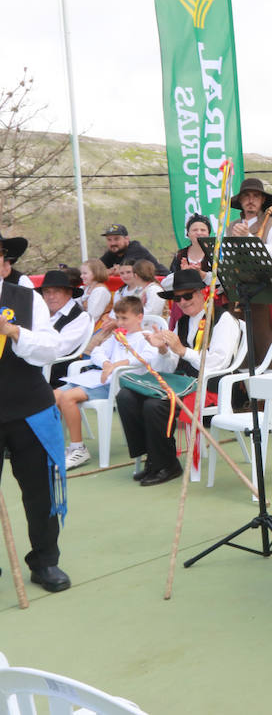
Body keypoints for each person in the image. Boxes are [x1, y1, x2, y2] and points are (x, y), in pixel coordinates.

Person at [115, 269, 240, 486]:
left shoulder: (223, 319)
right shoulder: (181, 322)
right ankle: (154, 458)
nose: (182, 301)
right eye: (177, 298)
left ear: (202, 293)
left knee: (154, 405)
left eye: (188, 295)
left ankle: (168, 464)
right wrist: (163, 350)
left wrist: (182, 350)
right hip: (181, 381)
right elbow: (170, 366)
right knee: (126, 396)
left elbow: (218, 361)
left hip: (208, 385)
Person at [0, 250, 70, 592]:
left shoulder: (27, 299)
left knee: (40, 493)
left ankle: (45, 562)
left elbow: (50, 350)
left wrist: (13, 331)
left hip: (29, 409)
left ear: (4, 263)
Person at [55, 296, 157, 470]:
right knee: (54, 395)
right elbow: (97, 351)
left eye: (124, 318)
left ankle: (78, 448)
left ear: (139, 317)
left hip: (117, 385)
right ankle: (58, 446)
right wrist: (106, 364)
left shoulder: (146, 337)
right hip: (101, 379)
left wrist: (115, 366)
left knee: (67, 398)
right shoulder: (117, 336)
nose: (120, 322)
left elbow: (146, 358)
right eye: (117, 318)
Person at [229, 178, 272, 367]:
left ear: (262, 200)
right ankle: (241, 393)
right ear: (240, 201)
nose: (251, 200)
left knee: (265, 344)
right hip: (237, 292)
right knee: (237, 346)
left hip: (263, 292)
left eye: (256, 196)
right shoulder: (231, 226)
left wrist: (248, 238)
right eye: (246, 196)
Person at [37, 269, 93, 386]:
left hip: (58, 373)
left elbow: (59, 349)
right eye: (47, 292)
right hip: (33, 365)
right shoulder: (39, 312)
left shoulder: (80, 317)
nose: (51, 296)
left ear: (69, 293)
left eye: (57, 291)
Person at [97, 223, 167, 274]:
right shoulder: (112, 252)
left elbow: (121, 271)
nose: (112, 243)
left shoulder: (135, 248)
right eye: (109, 240)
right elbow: (93, 269)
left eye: (116, 239)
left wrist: (108, 271)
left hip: (164, 284)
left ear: (127, 239)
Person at [77, 259, 113, 353]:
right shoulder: (84, 288)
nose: (81, 276)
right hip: (84, 323)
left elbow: (92, 316)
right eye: (81, 273)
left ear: (95, 273)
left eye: (85, 273)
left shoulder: (100, 291)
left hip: (97, 326)